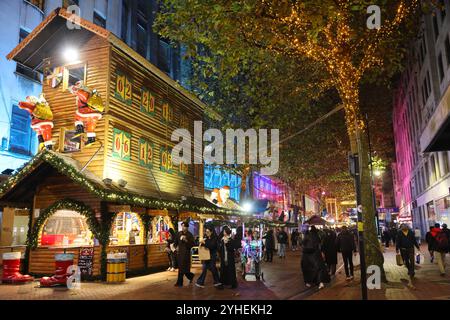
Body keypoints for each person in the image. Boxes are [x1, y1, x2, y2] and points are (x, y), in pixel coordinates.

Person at [174, 221, 195, 287]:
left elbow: (192, 244)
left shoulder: (190, 235)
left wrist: (186, 241)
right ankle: (190, 276)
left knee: (183, 268)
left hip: (186, 254)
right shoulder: (179, 234)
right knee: (181, 268)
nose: (183, 228)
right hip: (180, 253)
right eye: (182, 226)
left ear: (187, 227)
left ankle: (179, 283)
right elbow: (175, 242)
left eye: (184, 226)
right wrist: (175, 246)